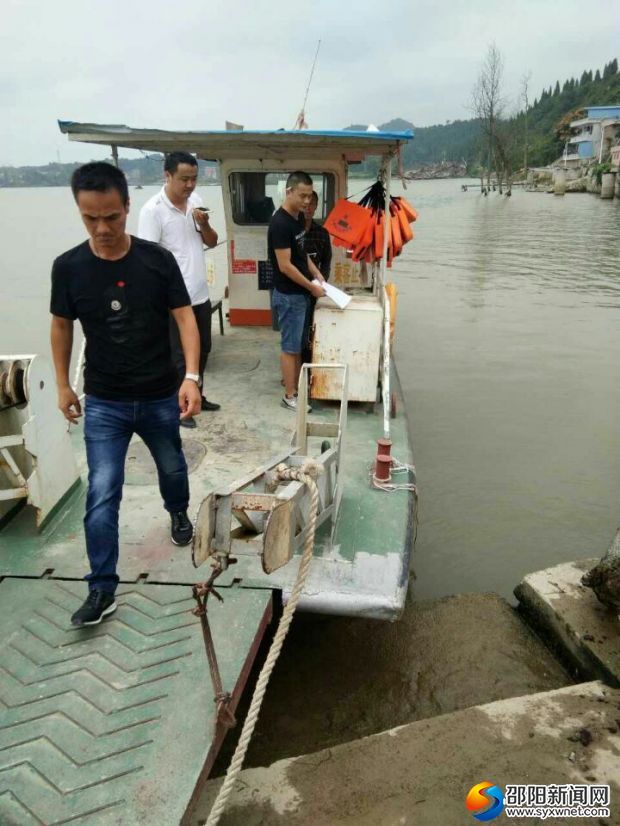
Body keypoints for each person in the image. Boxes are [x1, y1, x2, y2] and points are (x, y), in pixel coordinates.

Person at [50, 162, 202, 627]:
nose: (102, 229)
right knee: (102, 491)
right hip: (105, 402)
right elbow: (61, 325)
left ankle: (178, 513)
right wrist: (62, 384)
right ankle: (101, 588)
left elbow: (184, 317)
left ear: (127, 207)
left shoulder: (157, 260)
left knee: (173, 467)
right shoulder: (69, 267)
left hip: (159, 394)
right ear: (79, 212)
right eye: (90, 218)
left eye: (112, 217)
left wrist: (191, 376)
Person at [138, 151, 220, 428]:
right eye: (184, 179)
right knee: (177, 356)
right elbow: (146, 260)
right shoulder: (152, 211)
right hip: (172, 299)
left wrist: (205, 224)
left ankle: (197, 393)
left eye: (194, 179)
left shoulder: (196, 202)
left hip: (199, 292)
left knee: (203, 348)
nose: (190, 185)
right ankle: (179, 406)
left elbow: (211, 241)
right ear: (168, 176)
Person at [268, 171, 326, 411]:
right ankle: (289, 395)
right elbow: (285, 266)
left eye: (310, 196)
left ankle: (298, 388)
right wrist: (311, 287)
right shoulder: (280, 223)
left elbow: (302, 255)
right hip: (289, 295)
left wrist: (317, 274)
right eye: (302, 195)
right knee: (290, 347)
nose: (306, 201)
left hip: (301, 294)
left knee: (299, 344)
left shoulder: (297, 219)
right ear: (288, 191)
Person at [301, 190, 332, 363]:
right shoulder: (293, 231)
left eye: (312, 203)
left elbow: (326, 261)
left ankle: (311, 363)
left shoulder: (322, 233)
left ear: (316, 207)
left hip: (316, 288)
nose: (308, 206)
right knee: (296, 331)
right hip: (296, 288)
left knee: (313, 327)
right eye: (305, 202)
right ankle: (294, 370)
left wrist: (323, 283)